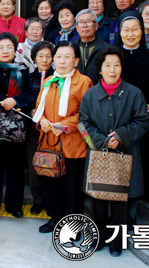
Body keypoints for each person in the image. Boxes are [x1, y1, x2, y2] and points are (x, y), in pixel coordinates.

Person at [79, 46, 149, 257]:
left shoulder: (134, 93)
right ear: (100, 69)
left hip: (125, 155)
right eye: (107, 65)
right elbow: (83, 125)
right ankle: (98, 237)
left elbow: (143, 121)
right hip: (99, 155)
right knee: (98, 199)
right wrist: (102, 141)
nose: (112, 69)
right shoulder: (90, 95)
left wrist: (120, 136)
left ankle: (116, 242)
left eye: (117, 65)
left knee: (121, 201)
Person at [33, 41, 93, 233]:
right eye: (58, 56)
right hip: (48, 143)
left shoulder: (84, 82)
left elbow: (86, 114)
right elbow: (38, 108)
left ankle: (74, 226)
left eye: (67, 57)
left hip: (72, 145)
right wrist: (41, 120)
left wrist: (64, 126)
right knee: (50, 184)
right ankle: (55, 219)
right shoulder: (49, 81)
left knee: (71, 189)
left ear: (75, 61)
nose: (62, 61)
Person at [0, 32, 35, 218]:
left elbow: (29, 94)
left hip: (16, 127)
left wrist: (15, 100)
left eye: (8, 47)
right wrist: (4, 100)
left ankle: (14, 205)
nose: (5, 50)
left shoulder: (22, 69)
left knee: (15, 167)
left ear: (15, 49)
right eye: (1, 47)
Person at [116, 11, 149, 226]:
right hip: (119, 123)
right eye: (126, 29)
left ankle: (133, 210)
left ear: (143, 31)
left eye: (135, 29)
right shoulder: (113, 58)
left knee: (140, 168)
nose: (130, 34)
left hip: (144, 125)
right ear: (120, 32)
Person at [25, 40, 55, 217]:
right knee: (33, 165)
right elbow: (25, 99)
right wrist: (31, 109)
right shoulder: (29, 78)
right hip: (33, 129)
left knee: (52, 166)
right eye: (40, 56)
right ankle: (37, 200)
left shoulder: (58, 78)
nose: (44, 59)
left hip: (52, 130)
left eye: (48, 56)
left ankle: (51, 200)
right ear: (34, 58)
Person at [75, 9, 111, 85]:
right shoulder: (71, 49)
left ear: (96, 26)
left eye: (88, 21)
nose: (85, 25)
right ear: (77, 28)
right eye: (81, 22)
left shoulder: (107, 49)